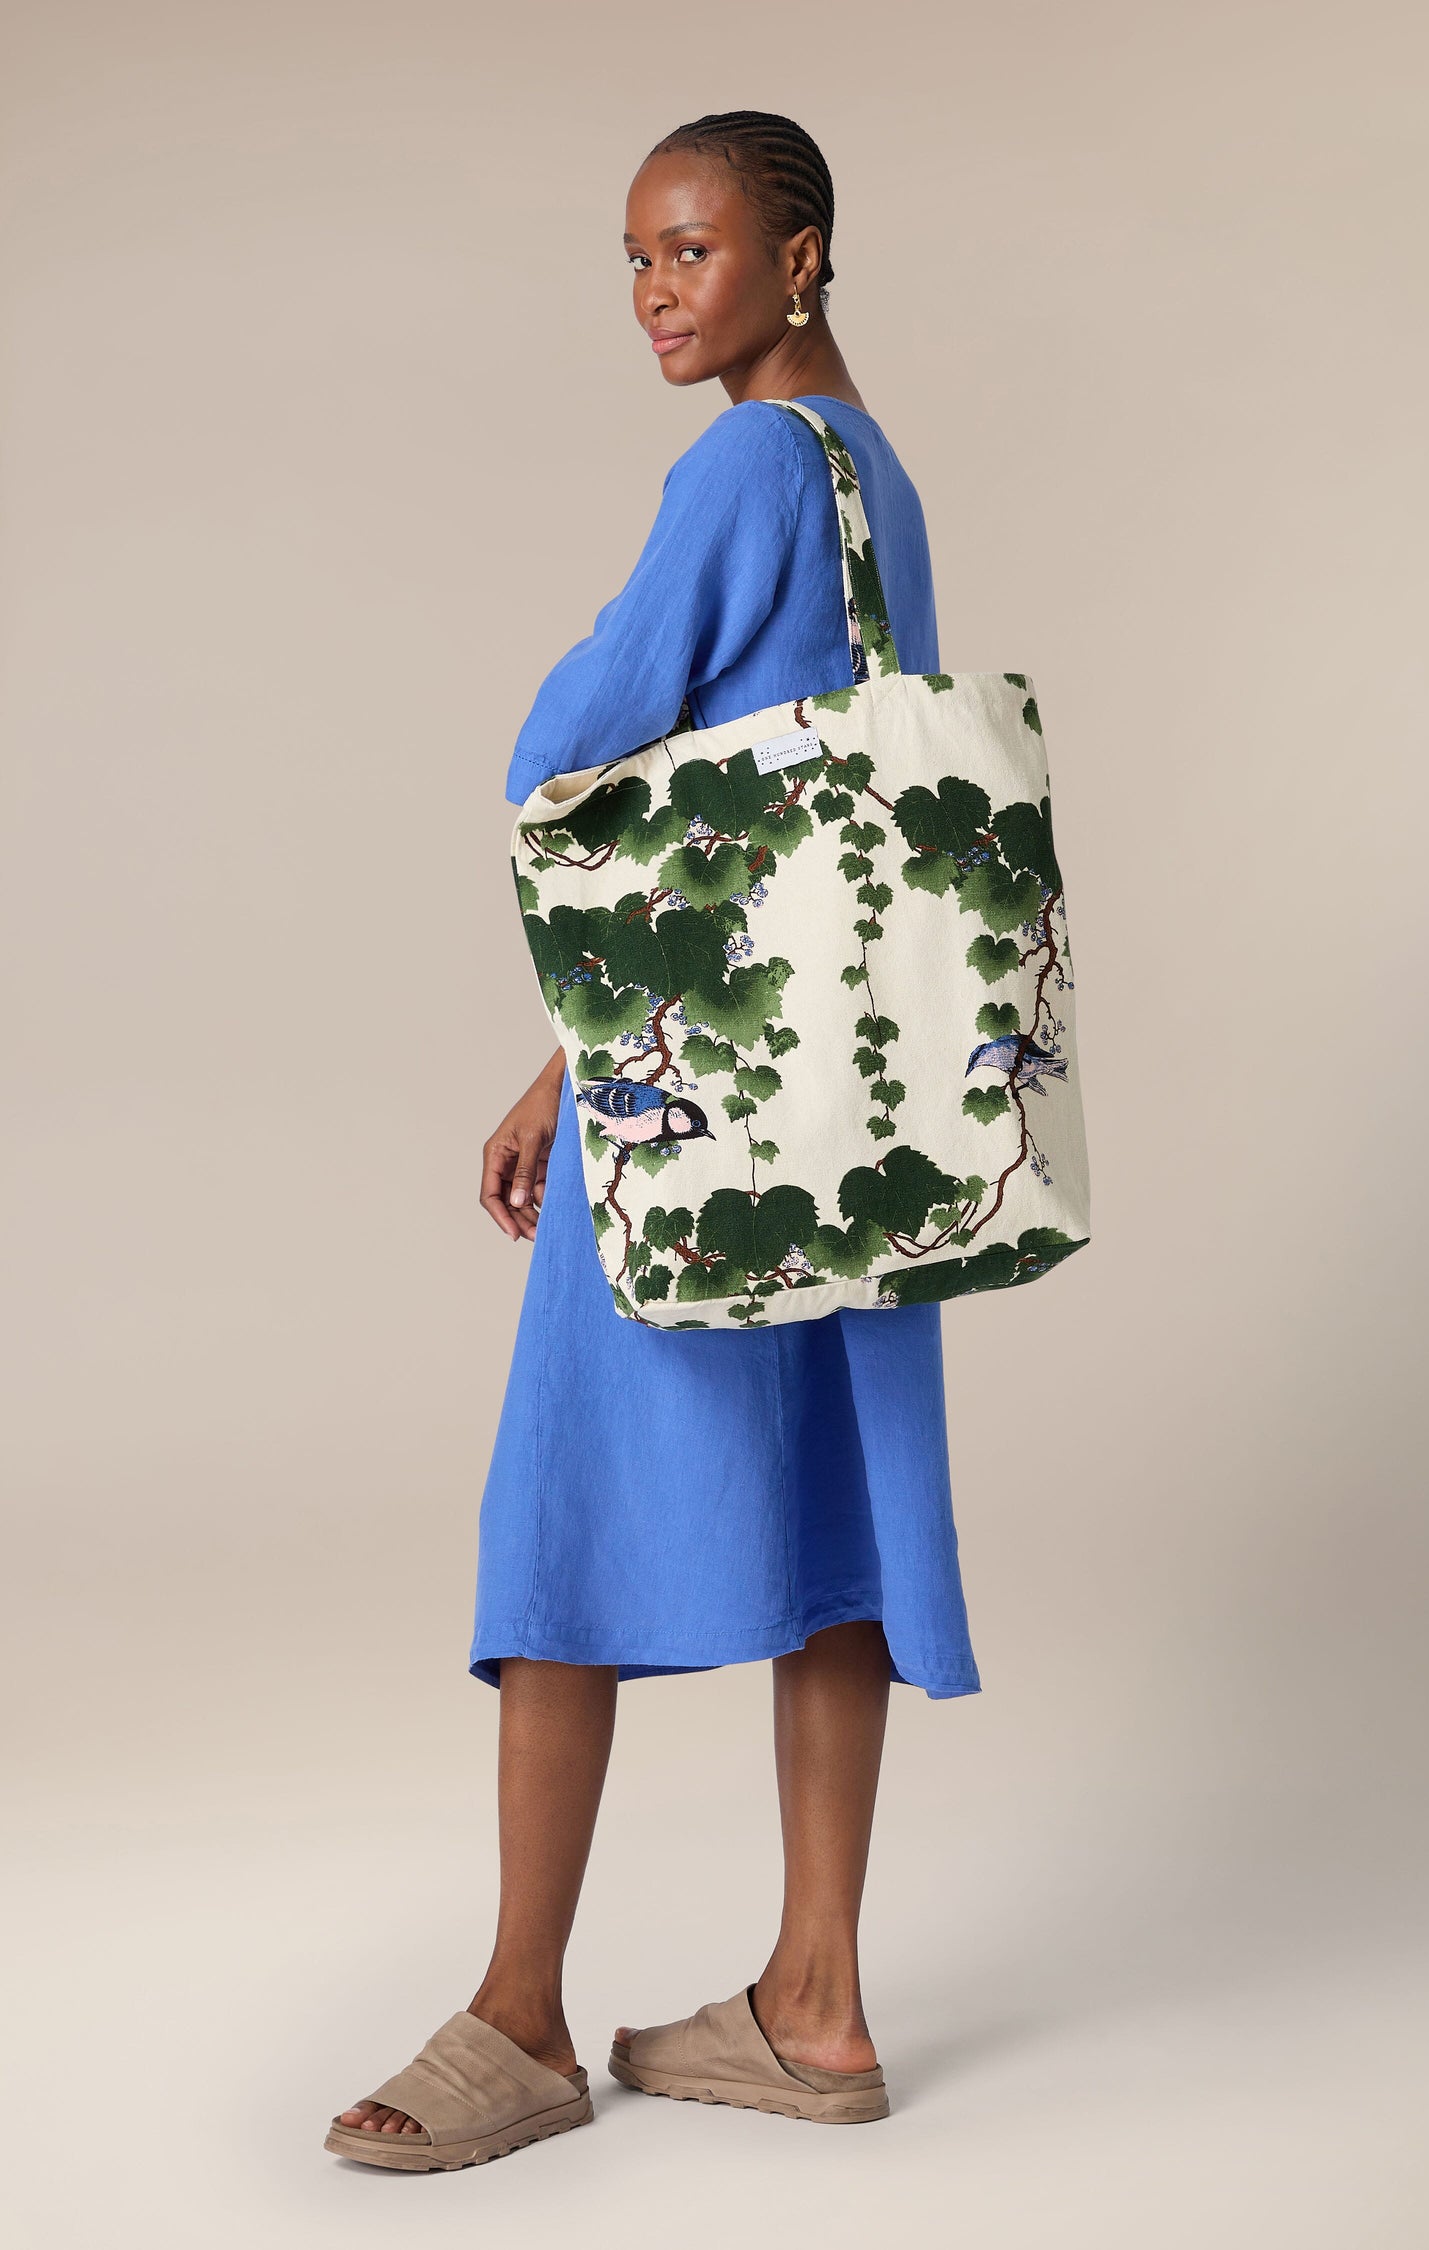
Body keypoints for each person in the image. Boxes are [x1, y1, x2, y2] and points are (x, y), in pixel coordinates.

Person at [325, 109, 980, 2172]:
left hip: (700, 1093)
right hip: (855, 1098)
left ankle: (520, 2020)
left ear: (803, 254)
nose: (656, 295)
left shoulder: (739, 471)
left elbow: (582, 742)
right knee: (842, 1534)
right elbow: (780, 843)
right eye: (631, 259)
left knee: (563, 1513)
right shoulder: (886, 487)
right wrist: (554, 1054)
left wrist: (593, 1056)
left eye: (691, 250)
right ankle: (814, 2001)